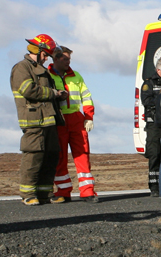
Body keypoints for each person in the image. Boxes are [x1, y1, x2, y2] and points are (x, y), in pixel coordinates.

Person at [10, 34, 68, 206]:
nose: (46, 58)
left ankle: (45, 193)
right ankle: (28, 194)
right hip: (33, 120)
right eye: (45, 55)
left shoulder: (41, 70)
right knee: (33, 157)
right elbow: (29, 90)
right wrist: (54, 93)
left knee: (50, 157)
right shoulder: (21, 68)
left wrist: (59, 95)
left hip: (49, 119)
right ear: (38, 50)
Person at [48, 46, 99, 203]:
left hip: (77, 120)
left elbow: (87, 96)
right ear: (55, 58)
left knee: (82, 155)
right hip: (59, 120)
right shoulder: (47, 76)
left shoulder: (76, 76)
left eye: (69, 58)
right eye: (65, 58)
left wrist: (88, 116)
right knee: (60, 157)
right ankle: (63, 191)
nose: (68, 61)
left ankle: (87, 191)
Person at [141, 57, 161, 197]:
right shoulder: (149, 83)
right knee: (155, 154)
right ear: (159, 70)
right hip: (154, 124)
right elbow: (146, 100)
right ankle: (154, 186)